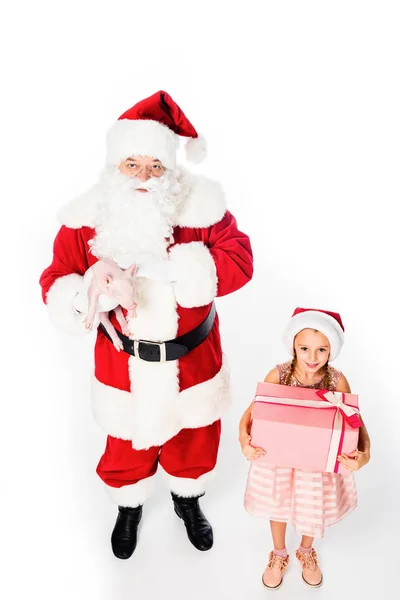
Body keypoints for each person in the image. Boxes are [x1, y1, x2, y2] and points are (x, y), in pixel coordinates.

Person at [40, 90, 253, 559]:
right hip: (124, 366)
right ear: (115, 166)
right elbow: (57, 277)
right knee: (125, 446)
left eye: (155, 166)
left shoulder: (201, 208)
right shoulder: (86, 218)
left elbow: (239, 256)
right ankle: (128, 506)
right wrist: (86, 289)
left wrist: (174, 270)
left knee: (194, 440)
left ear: (171, 170)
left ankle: (187, 498)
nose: (142, 176)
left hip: (193, 362)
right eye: (131, 164)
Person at [239, 308, 370, 589]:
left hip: (317, 462)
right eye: (305, 348)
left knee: (312, 505)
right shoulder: (279, 375)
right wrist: (244, 441)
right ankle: (278, 553)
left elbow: (357, 421)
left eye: (321, 349)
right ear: (294, 347)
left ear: (331, 350)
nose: (312, 357)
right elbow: (251, 413)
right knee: (279, 503)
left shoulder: (336, 380)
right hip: (279, 459)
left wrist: (365, 454)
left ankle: (306, 551)